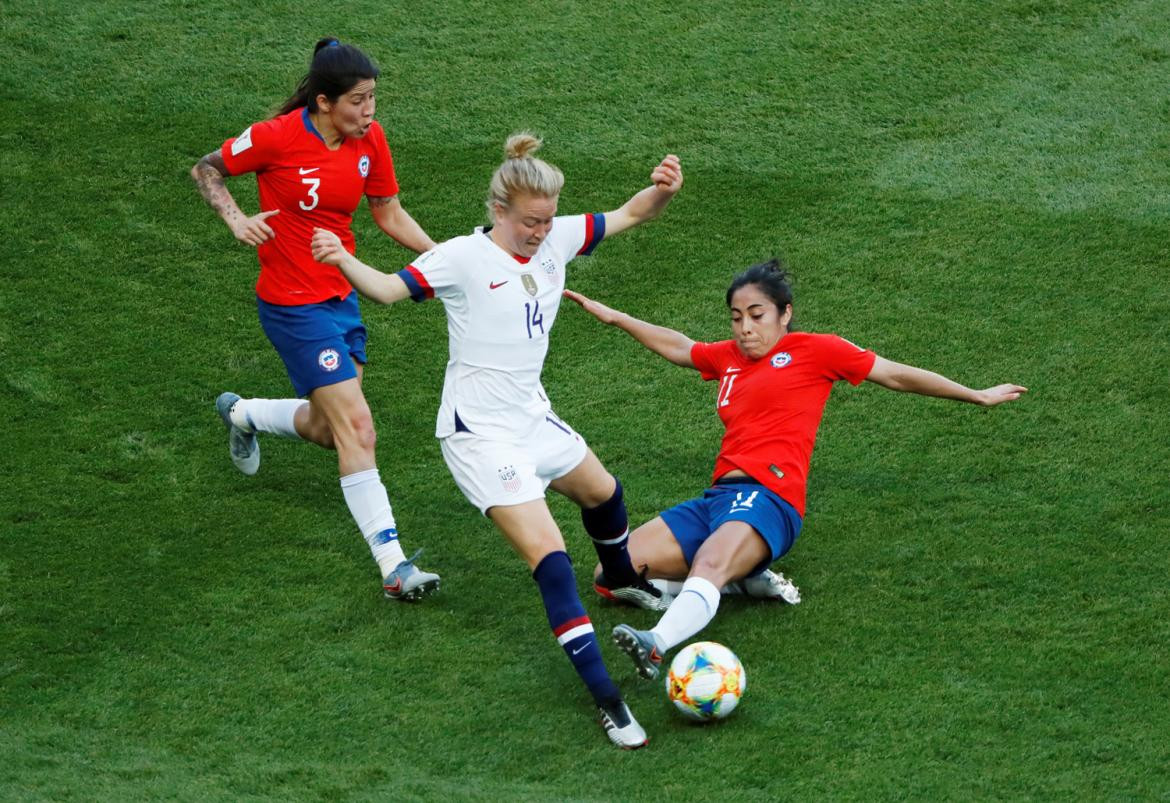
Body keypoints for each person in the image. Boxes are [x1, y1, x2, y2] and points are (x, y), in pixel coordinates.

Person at [310, 133, 684, 749]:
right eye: (530, 222)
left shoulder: (557, 235)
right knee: (553, 560)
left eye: (546, 220)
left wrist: (662, 190)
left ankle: (619, 579)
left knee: (604, 492)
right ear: (499, 212)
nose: (541, 233)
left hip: (530, 415)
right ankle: (608, 701)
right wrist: (339, 258)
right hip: (480, 436)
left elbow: (632, 212)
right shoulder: (460, 258)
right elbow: (384, 289)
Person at [562, 259, 1027, 680]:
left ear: (785, 314)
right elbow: (683, 347)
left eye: (757, 315)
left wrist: (976, 393)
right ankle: (737, 582)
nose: (746, 328)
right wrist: (617, 317)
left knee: (709, 562)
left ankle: (657, 643)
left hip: (770, 498)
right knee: (611, 574)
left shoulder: (816, 350)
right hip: (716, 500)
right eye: (737, 317)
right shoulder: (728, 358)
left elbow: (894, 374)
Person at [190, 38, 440, 601]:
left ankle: (245, 414)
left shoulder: (369, 139)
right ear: (324, 101)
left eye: (373, 98)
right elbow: (206, 169)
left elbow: (389, 213)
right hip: (292, 305)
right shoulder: (278, 136)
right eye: (357, 101)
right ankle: (394, 566)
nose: (369, 112)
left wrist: (446, 259)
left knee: (331, 431)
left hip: (342, 297)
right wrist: (235, 218)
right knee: (359, 429)